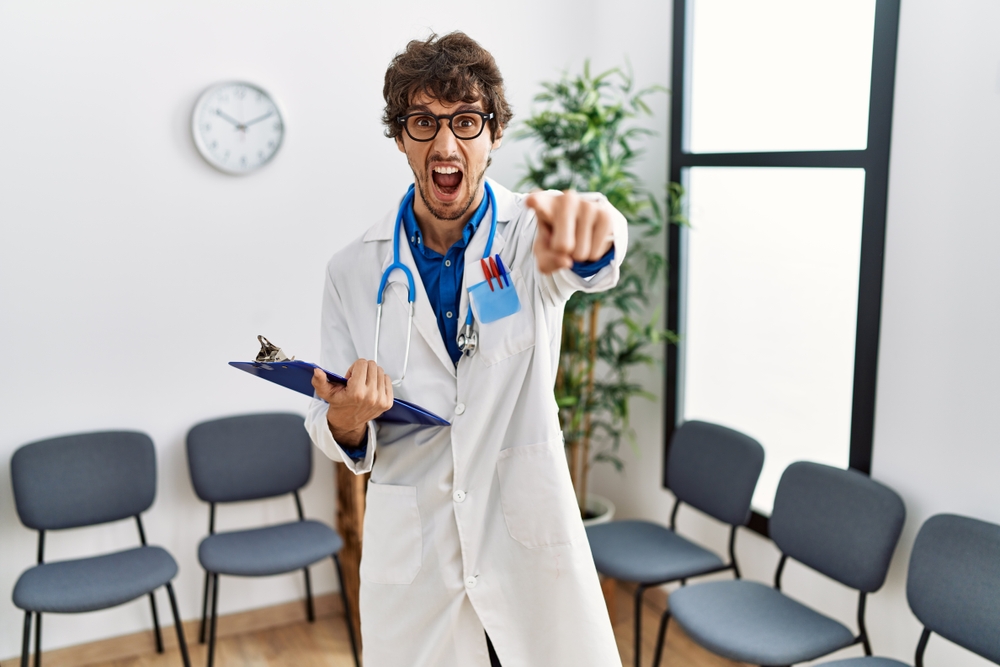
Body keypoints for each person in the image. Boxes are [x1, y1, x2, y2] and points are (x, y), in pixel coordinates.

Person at [305, 31, 625, 667]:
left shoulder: (530, 236)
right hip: (417, 552)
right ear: (400, 138)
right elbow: (328, 418)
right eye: (423, 122)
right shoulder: (353, 269)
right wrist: (345, 418)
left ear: (494, 134)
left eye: (466, 122)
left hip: (525, 537)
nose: (445, 145)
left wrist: (596, 233)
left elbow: (595, 228)